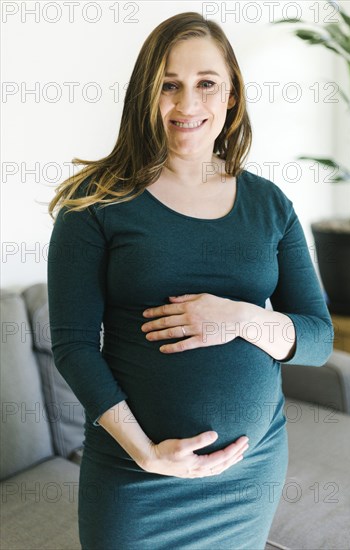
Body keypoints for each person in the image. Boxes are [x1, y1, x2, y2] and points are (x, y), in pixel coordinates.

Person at [47, 11, 333, 550]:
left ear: (230, 96)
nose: (186, 105)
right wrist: (146, 453)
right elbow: (73, 346)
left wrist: (241, 317)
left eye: (206, 84)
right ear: (144, 95)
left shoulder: (270, 205)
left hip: (251, 473)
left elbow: (318, 339)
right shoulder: (95, 203)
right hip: (136, 477)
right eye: (168, 86)